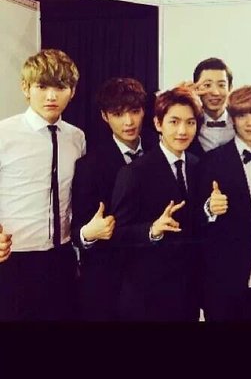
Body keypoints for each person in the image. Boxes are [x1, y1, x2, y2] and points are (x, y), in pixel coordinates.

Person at [0, 49, 85, 320]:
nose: (51, 96)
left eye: (60, 87)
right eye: (42, 86)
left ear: (72, 91)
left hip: (62, 257)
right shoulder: (4, 134)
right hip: (13, 259)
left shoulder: (77, 138)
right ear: (25, 88)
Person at [110, 86, 203, 321]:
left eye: (190, 123)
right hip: (147, 297)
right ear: (158, 123)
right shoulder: (134, 172)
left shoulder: (197, 166)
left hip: (188, 294)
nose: (182, 131)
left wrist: (210, 211)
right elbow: (117, 234)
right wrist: (152, 230)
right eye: (174, 122)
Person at [71, 77, 152, 320]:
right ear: (105, 116)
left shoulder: (160, 149)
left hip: (156, 276)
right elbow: (78, 230)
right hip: (110, 281)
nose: (128, 122)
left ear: (144, 111)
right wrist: (88, 234)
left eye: (135, 111)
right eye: (118, 114)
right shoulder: (89, 165)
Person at [198, 85, 251, 321]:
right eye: (242, 115)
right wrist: (209, 208)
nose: (250, 122)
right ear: (232, 119)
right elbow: (193, 218)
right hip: (222, 282)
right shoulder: (211, 161)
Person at [186, 57, 235, 157]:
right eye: (207, 85)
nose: (215, 93)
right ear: (196, 88)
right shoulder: (187, 121)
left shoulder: (240, 121)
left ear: (230, 88)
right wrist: (177, 95)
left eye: (221, 85)